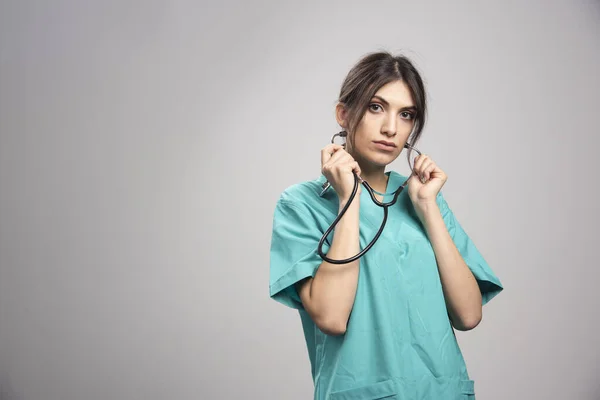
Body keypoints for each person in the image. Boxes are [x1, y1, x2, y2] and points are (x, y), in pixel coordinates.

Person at [268, 51, 503, 400]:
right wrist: (348, 198)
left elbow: (469, 314)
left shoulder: (424, 199)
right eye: (376, 107)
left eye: (406, 114)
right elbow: (332, 317)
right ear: (344, 114)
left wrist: (427, 207)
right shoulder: (301, 204)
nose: (391, 128)